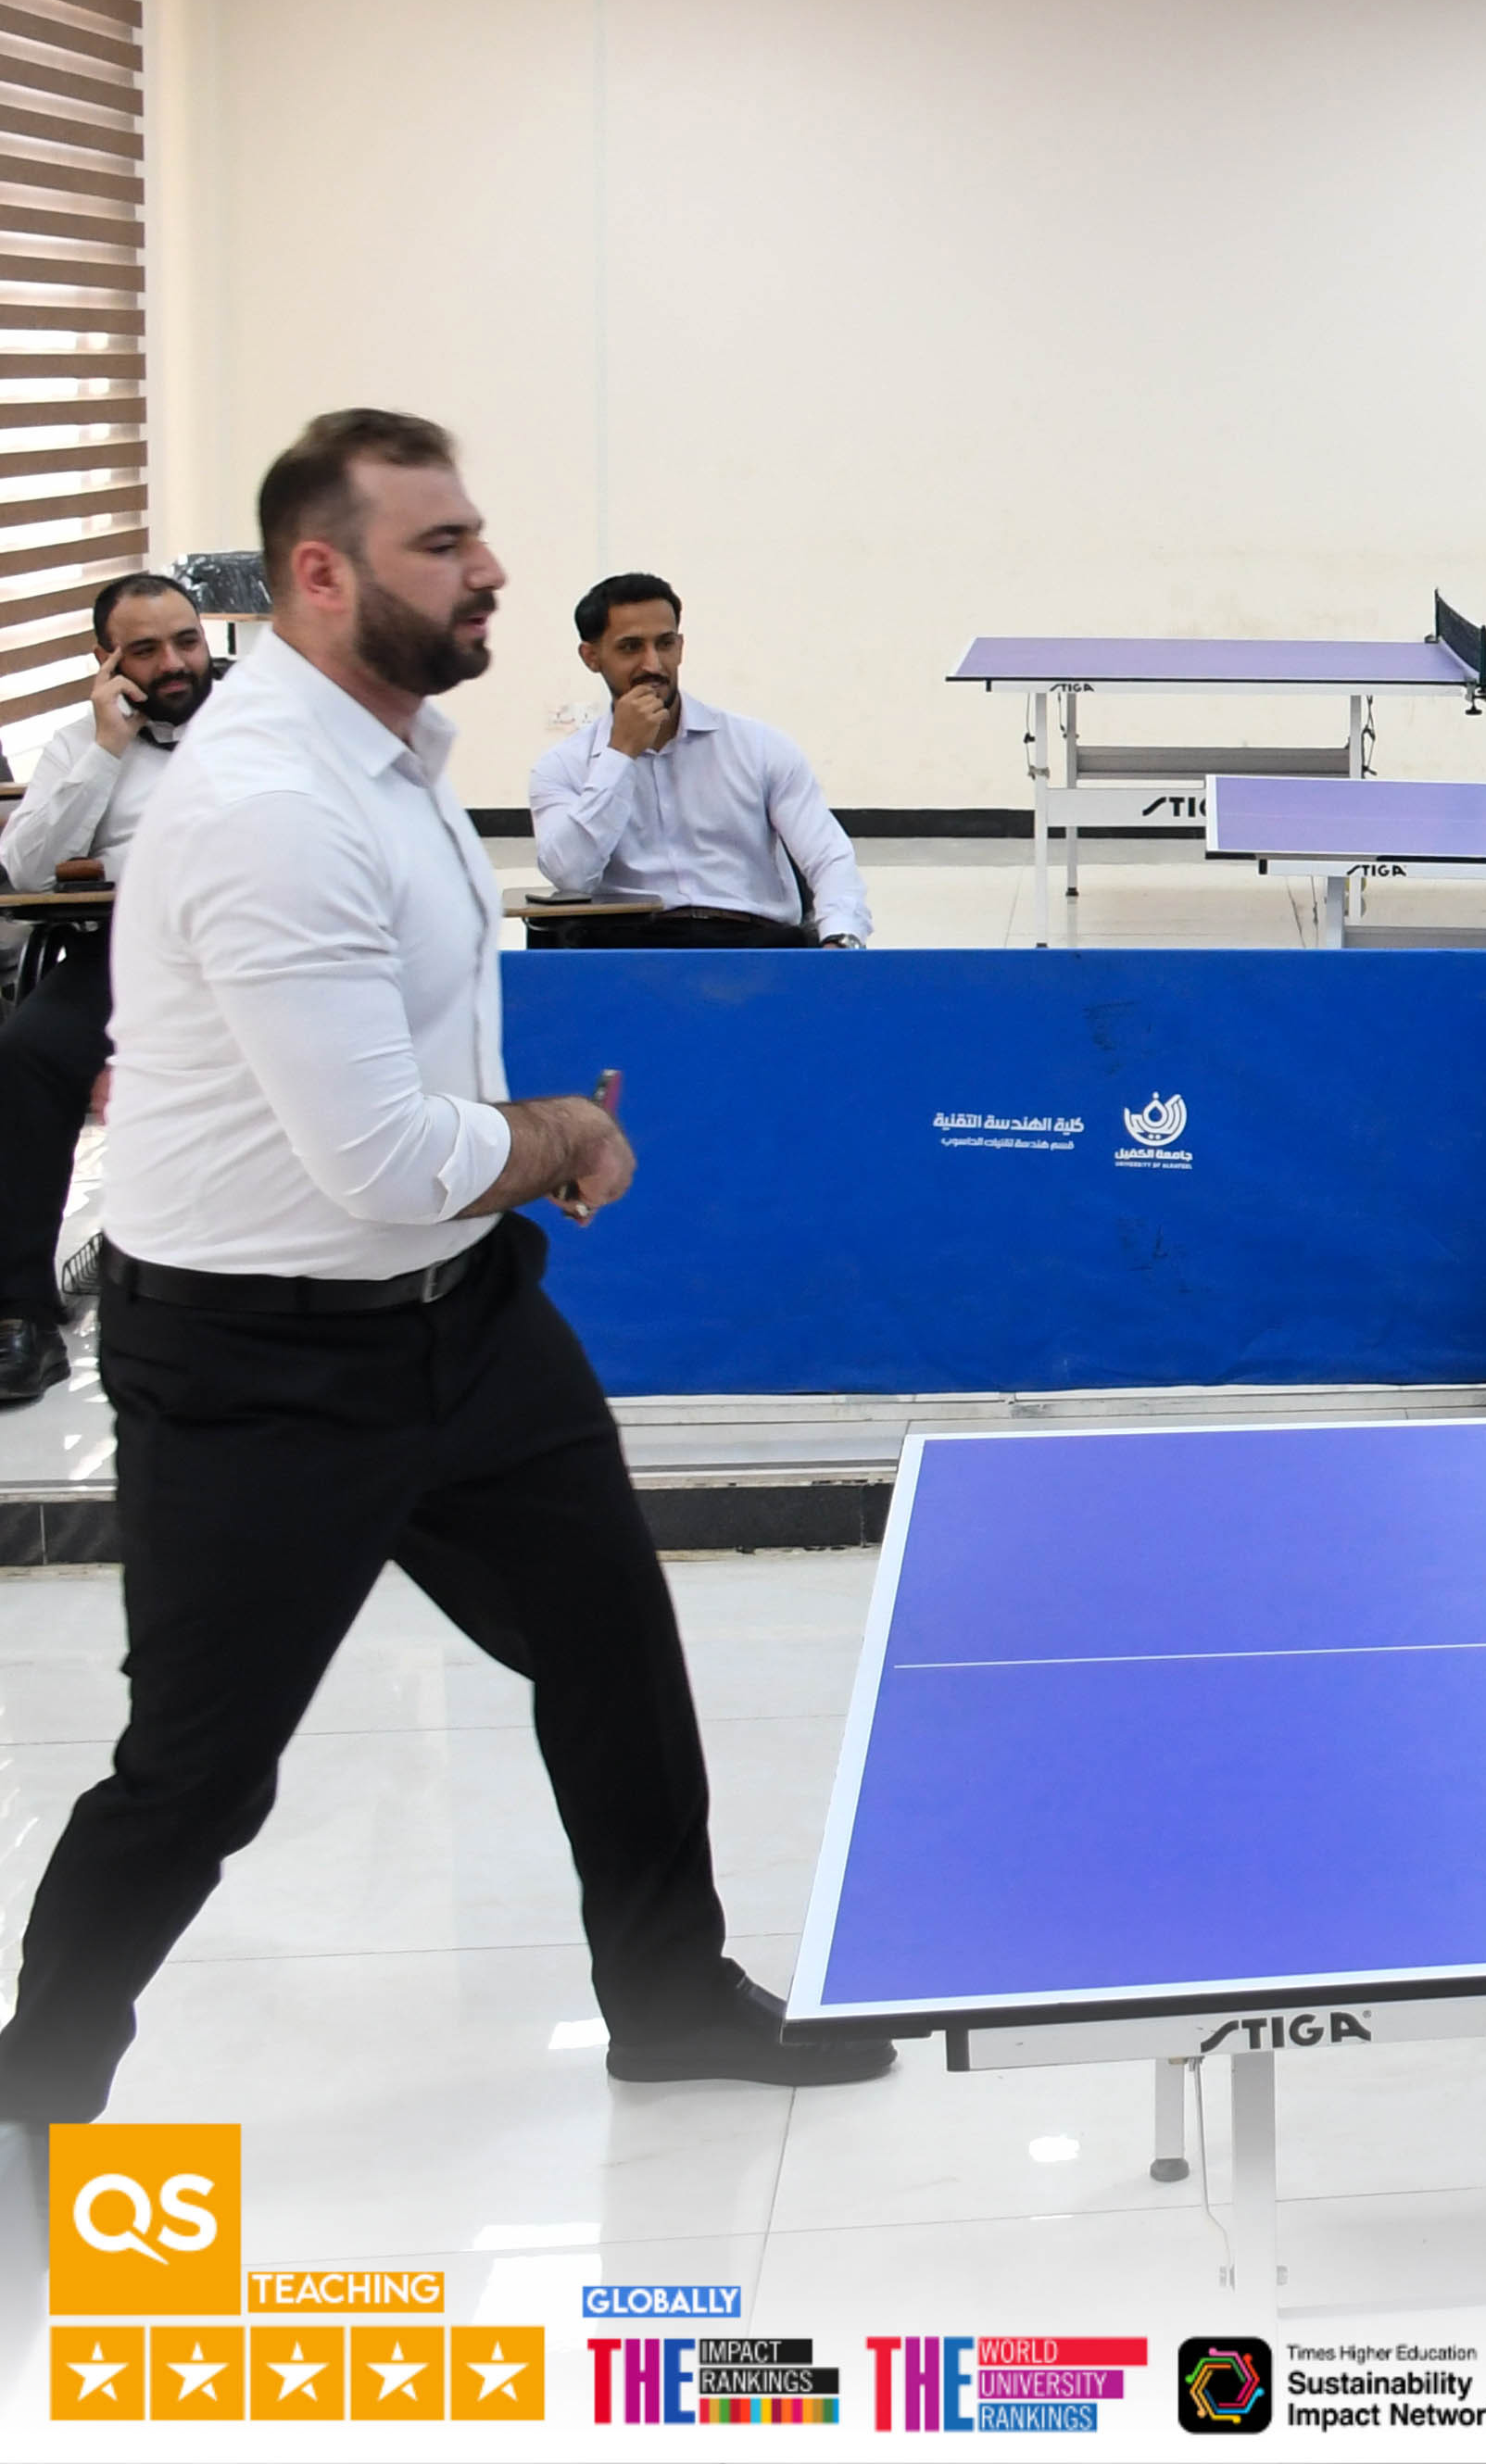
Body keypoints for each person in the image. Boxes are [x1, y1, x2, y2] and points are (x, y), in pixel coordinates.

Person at [0, 409, 893, 2124]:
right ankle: (32, 2096)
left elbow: (412, 1116)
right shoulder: (269, 807)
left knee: (613, 1646)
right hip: (256, 1362)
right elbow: (384, 1158)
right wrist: (557, 1136)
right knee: (198, 1777)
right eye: (442, 544)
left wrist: (508, 1156)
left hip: (463, 1317)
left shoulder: (394, 757)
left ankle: (667, 1996)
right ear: (320, 574)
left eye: (475, 533)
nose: (488, 569)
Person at [0, 575, 212, 1406]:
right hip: (120, 954)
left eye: (186, 641)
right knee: (27, 1054)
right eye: (146, 649)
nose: (174, 663)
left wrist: (121, 860)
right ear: (107, 660)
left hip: (250, 952)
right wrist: (104, 750)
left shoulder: (265, 727)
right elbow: (25, 872)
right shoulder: (79, 745)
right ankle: (19, 1311)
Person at [525, 573, 870, 947]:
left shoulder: (758, 746)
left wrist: (841, 940)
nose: (653, 664)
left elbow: (828, 856)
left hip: (754, 945)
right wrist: (619, 755)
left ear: (680, 647)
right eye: (630, 648)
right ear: (591, 657)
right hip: (632, 951)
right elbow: (570, 875)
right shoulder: (562, 767)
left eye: (665, 644)